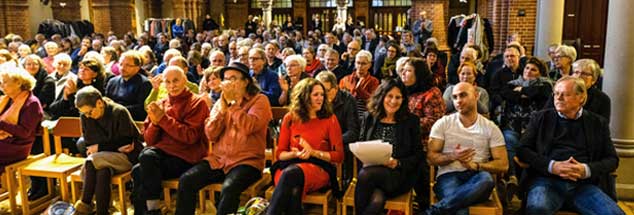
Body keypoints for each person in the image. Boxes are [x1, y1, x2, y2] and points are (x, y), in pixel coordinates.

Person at [517, 77, 623, 215]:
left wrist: (586, 170)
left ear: (581, 97)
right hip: (547, 181)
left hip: (583, 185)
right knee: (538, 209)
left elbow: (612, 160)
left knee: (614, 214)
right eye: (556, 93)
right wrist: (552, 166)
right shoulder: (541, 118)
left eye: (565, 94)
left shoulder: (597, 123)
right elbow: (522, 150)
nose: (558, 98)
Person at [175, 62, 271, 215]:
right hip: (218, 160)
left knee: (229, 188)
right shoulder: (221, 102)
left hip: (247, 161)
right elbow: (211, 134)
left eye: (233, 78)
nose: (228, 83)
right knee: (187, 180)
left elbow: (249, 127)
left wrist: (233, 104)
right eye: (226, 79)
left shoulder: (260, 100)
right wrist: (222, 110)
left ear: (246, 81)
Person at [131, 66, 209, 215]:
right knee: (139, 169)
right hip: (161, 157)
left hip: (187, 157)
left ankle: (152, 211)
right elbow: (149, 140)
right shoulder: (160, 103)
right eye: (167, 82)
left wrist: (163, 119)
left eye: (175, 81)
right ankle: (150, 211)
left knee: (142, 165)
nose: (172, 85)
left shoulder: (197, 103)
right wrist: (154, 123)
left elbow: (190, 137)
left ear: (185, 80)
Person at [426, 82, 509, 215]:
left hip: (477, 177)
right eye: (454, 97)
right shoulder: (443, 123)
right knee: (460, 211)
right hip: (448, 176)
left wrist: (476, 166)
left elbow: (503, 165)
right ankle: (436, 211)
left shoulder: (490, 127)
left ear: (476, 95)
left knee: (486, 180)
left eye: (463, 95)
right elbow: (430, 159)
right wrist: (453, 156)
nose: (458, 100)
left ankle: (435, 211)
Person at [267, 78, 344, 214]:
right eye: (315, 95)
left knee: (291, 175)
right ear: (303, 97)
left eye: (322, 94)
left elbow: (338, 156)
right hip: (289, 165)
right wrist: (295, 154)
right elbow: (280, 154)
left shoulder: (329, 119)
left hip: (318, 168)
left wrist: (313, 152)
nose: (320, 98)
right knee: (294, 189)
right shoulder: (290, 118)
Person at [354, 79, 424, 214]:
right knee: (376, 201)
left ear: (403, 100)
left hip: (398, 175)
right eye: (389, 96)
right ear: (382, 97)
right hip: (371, 175)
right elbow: (361, 144)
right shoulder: (369, 117)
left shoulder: (411, 121)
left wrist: (397, 163)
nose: (393, 101)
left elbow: (418, 155)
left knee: (365, 175)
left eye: (398, 97)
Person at [72, 86, 142, 215]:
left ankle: (84, 204)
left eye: (90, 112)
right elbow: (89, 143)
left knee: (92, 160)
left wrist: (100, 147)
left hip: (126, 158)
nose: (88, 116)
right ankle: (102, 212)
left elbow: (126, 143)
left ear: (99, 103)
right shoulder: (85, 117)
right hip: (102, 159)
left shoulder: (119, 112)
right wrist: (111, 146)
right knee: (103, 171)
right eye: (84, 113)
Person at [397, 57, 445, 209]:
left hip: (423, 144)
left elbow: (434, 122)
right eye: (402, 70)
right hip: (401, 141)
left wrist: (405, 124)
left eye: (408, 71)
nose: (403, 73)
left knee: (416, 163)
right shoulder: (402, 91)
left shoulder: (432, 93)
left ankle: (425, 205)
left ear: (419, 74)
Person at [0, 66, 43, 197]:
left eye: (5, 81)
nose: (2, 85)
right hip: (5, 141)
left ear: (18, 83)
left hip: (18, 145)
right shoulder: (7, 99)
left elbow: (25, 132)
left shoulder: (32, 103)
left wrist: (1, 123)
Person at [315, 71, 359, 190]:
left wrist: (332, 141)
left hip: (341, 140)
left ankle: (342, 186)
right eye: (317, 92)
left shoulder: (348, 100)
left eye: (325, 92)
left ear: (335, 89)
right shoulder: (314, 99)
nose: (321, 96)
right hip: (320, 141)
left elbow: (353, 132)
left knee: (345, 149)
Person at [544, 58, 610, 121]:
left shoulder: (602, 99)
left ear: (594, 79)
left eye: (584, 74)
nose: (578, 76)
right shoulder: (559, 92)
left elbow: (602, 125)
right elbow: (545, 115)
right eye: (576, 72)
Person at [105, 50, 152, 121]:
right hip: (112, 120)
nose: (122, 68)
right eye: (120, 64)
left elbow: (142, 109)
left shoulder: (144, 83)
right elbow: (107, 101)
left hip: (132, 121)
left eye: (127, 65)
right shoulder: (112, 81)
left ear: (137, 68)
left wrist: (117, 109)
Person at [339, 50, 380, 117]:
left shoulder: (374, 81)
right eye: (358, 63)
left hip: (364, 115)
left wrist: (361, 91)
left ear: (369, 65)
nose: (360, 66)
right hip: (347, 114)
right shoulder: (345, 79)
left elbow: (374, 102)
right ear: (355, 63)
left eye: (364, 64)